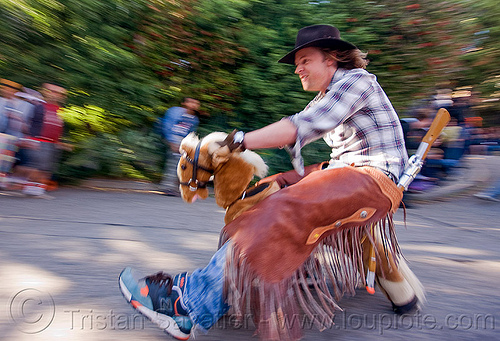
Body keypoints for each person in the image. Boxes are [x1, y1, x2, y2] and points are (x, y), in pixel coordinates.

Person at [119, 25, 419, 340]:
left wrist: (237, 141)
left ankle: (187, 305)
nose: (298, 69)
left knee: (278, 210)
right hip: (344, 171)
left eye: (305, 60)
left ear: (332, 59)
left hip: (373, 178)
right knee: (262, 194)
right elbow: (290, 127)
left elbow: (299, 127)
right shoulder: (325, 96)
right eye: (296, 65)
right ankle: (250, 278)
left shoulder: (356, 81)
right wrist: (236, 143)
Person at [159, 97, 201, 196]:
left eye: (196, 103)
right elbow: (167, 125)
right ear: (184, 103)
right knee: (173, 162)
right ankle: (167, 187)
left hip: (183, 140)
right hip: (173, 137)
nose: (193, 105)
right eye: (191, 102)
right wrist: (171, 141)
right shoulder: (175, 111)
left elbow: (191, 133)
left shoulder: (194, 119)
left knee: (183, 163)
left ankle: (176, 186)